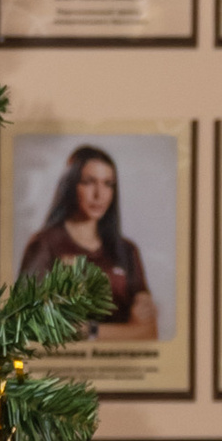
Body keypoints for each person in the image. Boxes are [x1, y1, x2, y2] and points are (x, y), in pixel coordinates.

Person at [14, 142, 158, 340]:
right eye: (89, 181)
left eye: (108, 184)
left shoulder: (127, 250)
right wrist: (124, 332)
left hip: (122, 367)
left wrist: (89, 331)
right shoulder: (45, 244)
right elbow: (27, 323)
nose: (99, 194)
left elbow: (148, 332)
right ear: (71, 185)